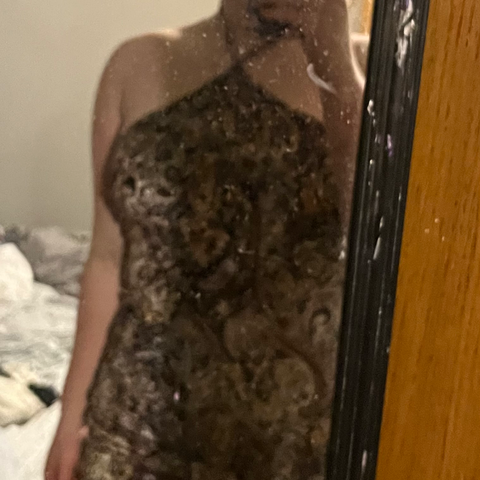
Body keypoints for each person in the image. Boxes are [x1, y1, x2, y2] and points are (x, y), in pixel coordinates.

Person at [46, 0, 363, 478]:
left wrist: (336, 68)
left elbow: (387, 240)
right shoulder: (137, 65)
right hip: (140, 422)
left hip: (294, 439)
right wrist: (71, 417)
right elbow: (109, 258)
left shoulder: (379, 77)